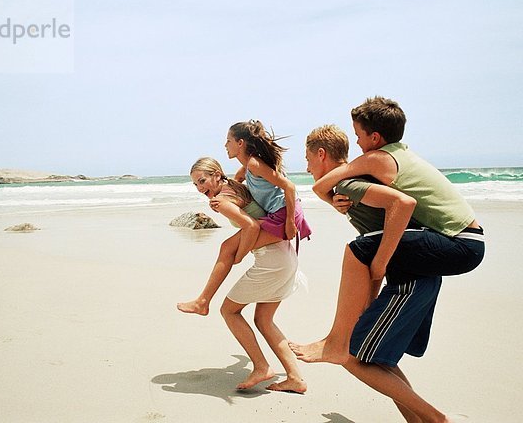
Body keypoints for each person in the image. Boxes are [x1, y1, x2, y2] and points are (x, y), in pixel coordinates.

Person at [292, 124, 480, 422]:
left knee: (351, 356)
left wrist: (376, 274)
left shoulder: (349, 184)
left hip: (411, 281)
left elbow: (400, 209)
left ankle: (435, 418)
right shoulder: (348, 186)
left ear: (321, 154)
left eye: (307, 158)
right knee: (378, 360)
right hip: (415, 273)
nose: (306, 166)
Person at [185, 157, 307, 393]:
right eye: (195, 184)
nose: (200, 188)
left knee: (229, 311)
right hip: (286, 258)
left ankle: (261, 366)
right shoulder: (237, 185)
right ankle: (295, 378)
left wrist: (240, 255)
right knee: (263, 320)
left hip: (271, 261)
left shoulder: (223, 199)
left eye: (202, 180)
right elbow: (243, 172)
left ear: (217, 175)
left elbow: (251, 226)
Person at [177, 120, 311, 315]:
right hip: (279, 213)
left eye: (228, 140)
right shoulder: (247, 168)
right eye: (196, 184)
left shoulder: (254, 164)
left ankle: (203, 302)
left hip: (284, 213)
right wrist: (224, 195)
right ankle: (202, 301)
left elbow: (289, 187)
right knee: (228, 247)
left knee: (228, 248)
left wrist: (240, 255)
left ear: (240, 143)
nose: (225, 145)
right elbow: (236, 181)